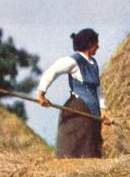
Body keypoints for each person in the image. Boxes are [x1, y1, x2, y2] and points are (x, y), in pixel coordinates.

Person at [36, 28, 112, 158]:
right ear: (89, 44)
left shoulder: (93, 63)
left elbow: (97, 88)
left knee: (91, 147)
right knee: (72, 147)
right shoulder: (73, 60)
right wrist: (41, 93)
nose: (98, 47)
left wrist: (103, 109)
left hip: (92, 112)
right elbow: (52, 71)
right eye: (96, 43)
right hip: (78, 108)